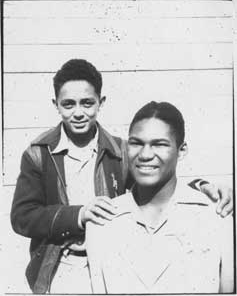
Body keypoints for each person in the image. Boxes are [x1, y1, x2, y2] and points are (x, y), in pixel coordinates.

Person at [11, 59, 233, 294]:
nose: (78, 113)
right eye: (68, 104)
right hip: (59, 266)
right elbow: (22, 216)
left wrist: (201, 186)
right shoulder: (39, 153)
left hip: (111, 263)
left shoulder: (121, 151)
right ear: (56, 105)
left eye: (87, 103)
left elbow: (154, 182)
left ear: (101, 102)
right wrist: (78, 215)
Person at [86, 101, 234, 294]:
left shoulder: (216, 216)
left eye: (159, 144)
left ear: (181, 150)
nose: (145, 154)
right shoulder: (102, 221)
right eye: (136, 143)